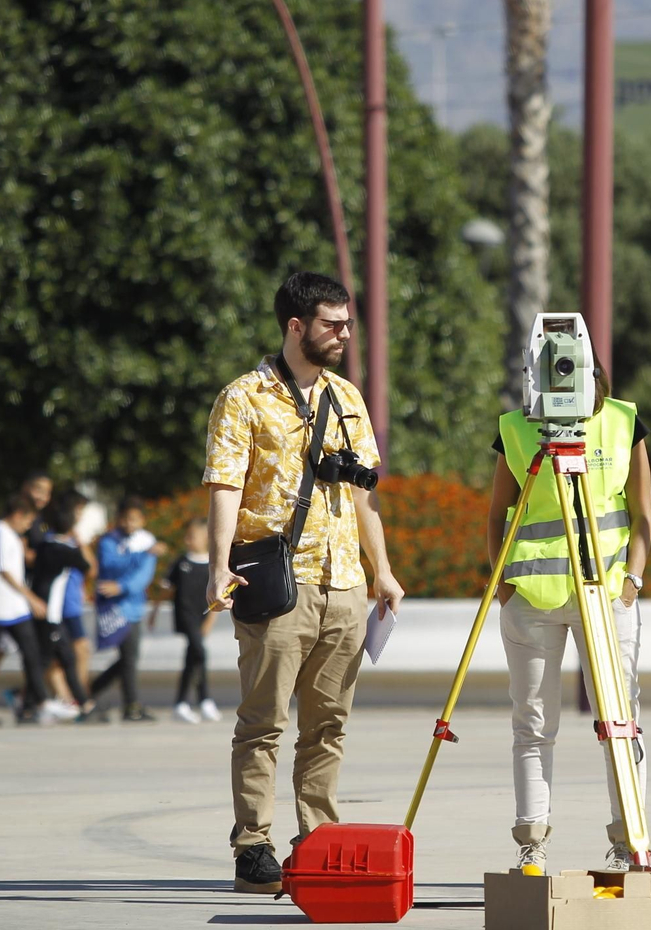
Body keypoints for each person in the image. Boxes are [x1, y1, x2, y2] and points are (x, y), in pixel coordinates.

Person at [205, 271, 405, 894]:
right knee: (263, 722)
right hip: (276, 580)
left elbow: (363, 493)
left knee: (328, 726)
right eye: (332, 324)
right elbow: (225, 487)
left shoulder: (348, 397)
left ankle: (316, 839)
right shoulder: (244, 397)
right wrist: (218, 564)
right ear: (296, 327)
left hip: (344, 583)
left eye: (347, 323)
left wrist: (384, 570)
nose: (346, 333)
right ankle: (253, 844)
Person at [487, 366, 651, 874]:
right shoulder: (516, 428)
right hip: (532, 597)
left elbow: (643, 510)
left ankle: (631, 843)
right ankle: (531, 843)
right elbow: (498, 511)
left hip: (606, 596)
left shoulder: (625, 422)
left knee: (619, 724)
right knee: (533, 724)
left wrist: (633, 581)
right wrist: (502, 583)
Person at [0, 496, 78, 728]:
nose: (28, 526)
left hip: (15, 609)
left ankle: (42, 702)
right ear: (18, 514)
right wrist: (31, 598)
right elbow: (3, 570)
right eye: (28, 520)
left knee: (32, 653)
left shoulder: (12, 536)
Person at [0, 470, 53, 724]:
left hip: (24, 599)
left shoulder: (40, 519)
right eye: (38, 489)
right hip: (9, 602)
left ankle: (34, 701)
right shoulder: (6, 525)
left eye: (47, 492)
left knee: (34, 651)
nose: (42, 496)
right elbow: (6, 564)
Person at [87, 496, 167, 722]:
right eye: (125, 519)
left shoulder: (146, 540)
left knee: (129, 657)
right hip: (113, 607)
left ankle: (96, 691)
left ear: (142, 520)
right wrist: (142, 555)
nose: (129, 524)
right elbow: (110, 564)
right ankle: (130, 705)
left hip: (133, 607)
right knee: (128, 657)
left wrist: (121, 585)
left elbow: (143, 576)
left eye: (134, 519)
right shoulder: (109, 541)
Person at [28, 490, 94, 715]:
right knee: (52, 658)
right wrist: (76, 540)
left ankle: (81, 702)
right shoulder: (64, 549)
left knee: (64, 656)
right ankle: (31, 702)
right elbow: (89, 566)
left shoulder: (47, 546)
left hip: (52, 609)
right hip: (53, 611)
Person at [150, 518, 221, 724]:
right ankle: (204, 698)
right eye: (187, 536)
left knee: (193, 656)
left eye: (193, 536)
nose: (189, 540)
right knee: (199, 651)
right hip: (185, 615)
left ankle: (182, 703)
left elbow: (218, 596)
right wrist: (154, 612)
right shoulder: (181, 563)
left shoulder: (212, 564)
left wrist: (210, 621)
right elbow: (166, 589)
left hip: (203, 614)